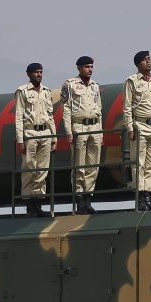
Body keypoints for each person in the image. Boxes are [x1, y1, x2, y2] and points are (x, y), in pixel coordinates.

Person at [122, 50, 151, 211]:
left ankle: (148, 195)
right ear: (138, 64)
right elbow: (126, 106)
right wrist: (130, 128)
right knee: (138, 163)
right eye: (145, 60)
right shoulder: (132, 81)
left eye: (149, 58)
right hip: (140, 125)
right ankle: (140, 196)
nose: (148, 61)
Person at [61, 56, 102, 215]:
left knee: (93, 166)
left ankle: (88, 199)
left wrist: (101, 131)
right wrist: (68, 131)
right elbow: (66, 110)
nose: (90, 69)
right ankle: (79, 200)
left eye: (91, 66)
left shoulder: (95, 86)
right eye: (86, 67)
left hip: (95, 127)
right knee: (79, 166)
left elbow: (100, 108)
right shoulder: (70, 85)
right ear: (79, 68)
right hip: (79, 126)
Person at [14, 62, 55, 218]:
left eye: (40, 72)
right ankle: (29, 205)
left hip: (45, 132)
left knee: (42, 170)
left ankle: (38, 203)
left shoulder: (46, 91)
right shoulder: (22, 91)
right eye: (36, 72)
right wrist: (20, 139)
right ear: (29, 74)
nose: (39, 74)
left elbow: (50, 115)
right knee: (29, 169)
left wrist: (53, 136)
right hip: (30, 132)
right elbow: (18, 116)